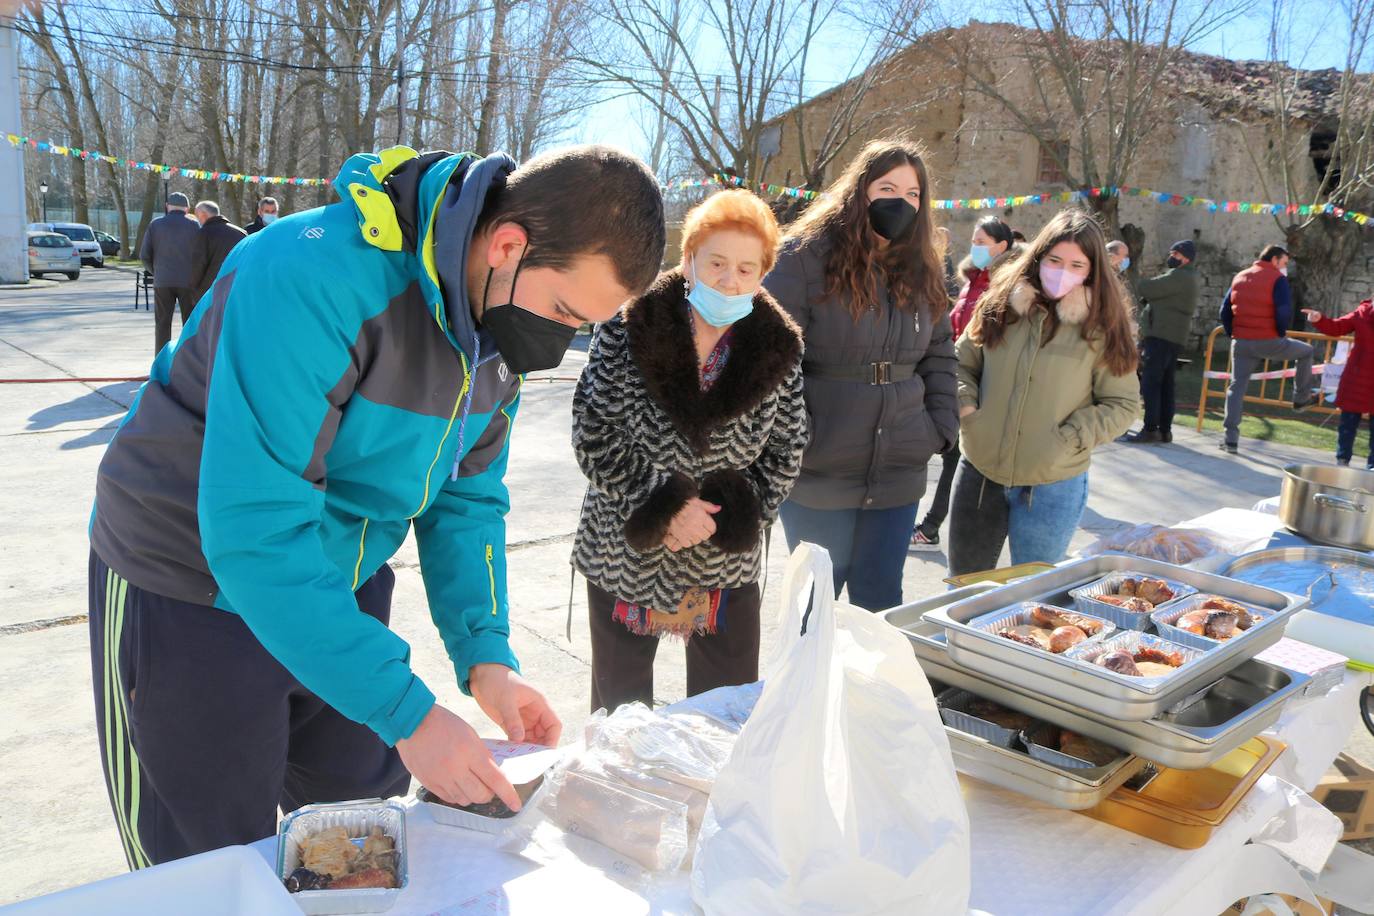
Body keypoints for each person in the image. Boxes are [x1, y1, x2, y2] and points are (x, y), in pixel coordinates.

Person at [87, 144, 666, 868]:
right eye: (562, 311)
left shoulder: (496, 328)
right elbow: (256, 532)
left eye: (583, 326)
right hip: (189, 582)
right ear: (508, 244)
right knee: (208, 861)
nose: (561, 342)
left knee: (358, 839)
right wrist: (408, 712)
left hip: (339, 582)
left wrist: (486, 655)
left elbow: (466, 496)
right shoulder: (310, 277)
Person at [571, 189, 806, 713]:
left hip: (723, 555)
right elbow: (594, 429)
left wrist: (731, 514)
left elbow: (787, 448)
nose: (730, 280)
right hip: (628, 543)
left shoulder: (780, 345)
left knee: (724, 716)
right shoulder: (628, 322)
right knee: (620, 714)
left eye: (747, 269)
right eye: (717, 262)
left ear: (762, 275)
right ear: (689, 258)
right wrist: (665, 502)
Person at [765, 138, 958, 611]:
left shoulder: (923, 265)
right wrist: (798, 437)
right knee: (815, 608)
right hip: (820, 468)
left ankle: (867, 691)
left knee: (880, 605)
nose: (902, 202)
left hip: (899, 468)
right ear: (859, 191)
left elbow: (940, 353)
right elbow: (770, 357)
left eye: (913, 194)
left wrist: (939, 428)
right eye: (888, 187)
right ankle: (810, 689)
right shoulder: (803, 256)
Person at [948, 209, 1140, 575]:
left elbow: (1123, 403)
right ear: (1038, 258)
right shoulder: (1000, 305)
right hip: (980, 470)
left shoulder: (1104, 328)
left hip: (1052, 484)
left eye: (1076, 264)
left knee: (1032, 598)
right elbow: (961, 362)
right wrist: (968, 407)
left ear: (1092, 270)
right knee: (963, 586)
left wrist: (1069, 436)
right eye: (1054, 260)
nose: (1062, 271)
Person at [912, 216, 1017, 550]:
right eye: (974, 239)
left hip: (977, 386)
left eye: (983, 241)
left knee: (954, 456)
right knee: (950, 456)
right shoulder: (973, 280)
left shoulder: (1006, 285)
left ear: (1002, 246)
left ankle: (931, 527)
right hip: (953, 378)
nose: (975, 246)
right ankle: (932, 526)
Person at [1219, 244, 1319, 455]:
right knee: (1306, 351)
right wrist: (1280, 333)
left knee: (1236, 387)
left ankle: (1230, 439)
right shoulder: (1277, 279)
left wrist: (1233, 333)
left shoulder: (1240, 276)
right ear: (1274, 260)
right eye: (1283, 263)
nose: (1284, 268)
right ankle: (1301, 398)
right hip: (1269, 339)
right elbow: (1283, 311)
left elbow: (1224, 310)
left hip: (1242, 341)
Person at [1123, 240, 1200, 444]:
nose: (1171, 257)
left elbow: (1147, 288)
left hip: (1162, 335)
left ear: (1185, 257)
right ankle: (1165, 430)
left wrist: (1144, 284)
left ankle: (1150, 429)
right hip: (1172, 336)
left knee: (1151, 383)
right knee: (1166, 385)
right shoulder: (1187, 277)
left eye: (1175, 254)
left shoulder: (1180, 276)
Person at [1304, 300, 1374, 468]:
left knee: (1350, 425)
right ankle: (1342, 461)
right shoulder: (1362, 313)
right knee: (1348, 424)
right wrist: (1319, 319)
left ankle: (1369, 467)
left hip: (1357, 376)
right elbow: (1338, 327)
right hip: (1357, 378)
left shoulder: (1362, 312)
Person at [139, 192, 201, 355]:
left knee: (162, 323)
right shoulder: (195, 226)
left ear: (167, 206)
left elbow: (144, 256)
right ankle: (188, 359)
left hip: (163, 281)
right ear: (187, 209)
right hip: (188, 281)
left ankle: (161, 359)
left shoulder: (155, 225)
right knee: (189, 323)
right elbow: (201, 255)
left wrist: (156, 271)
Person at [189, 200, 248, 302]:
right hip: (236, 288)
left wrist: (192, 288)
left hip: (210, 291)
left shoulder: (204, 233)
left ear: (203, 215)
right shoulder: (241, 233)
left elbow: (198, 265)